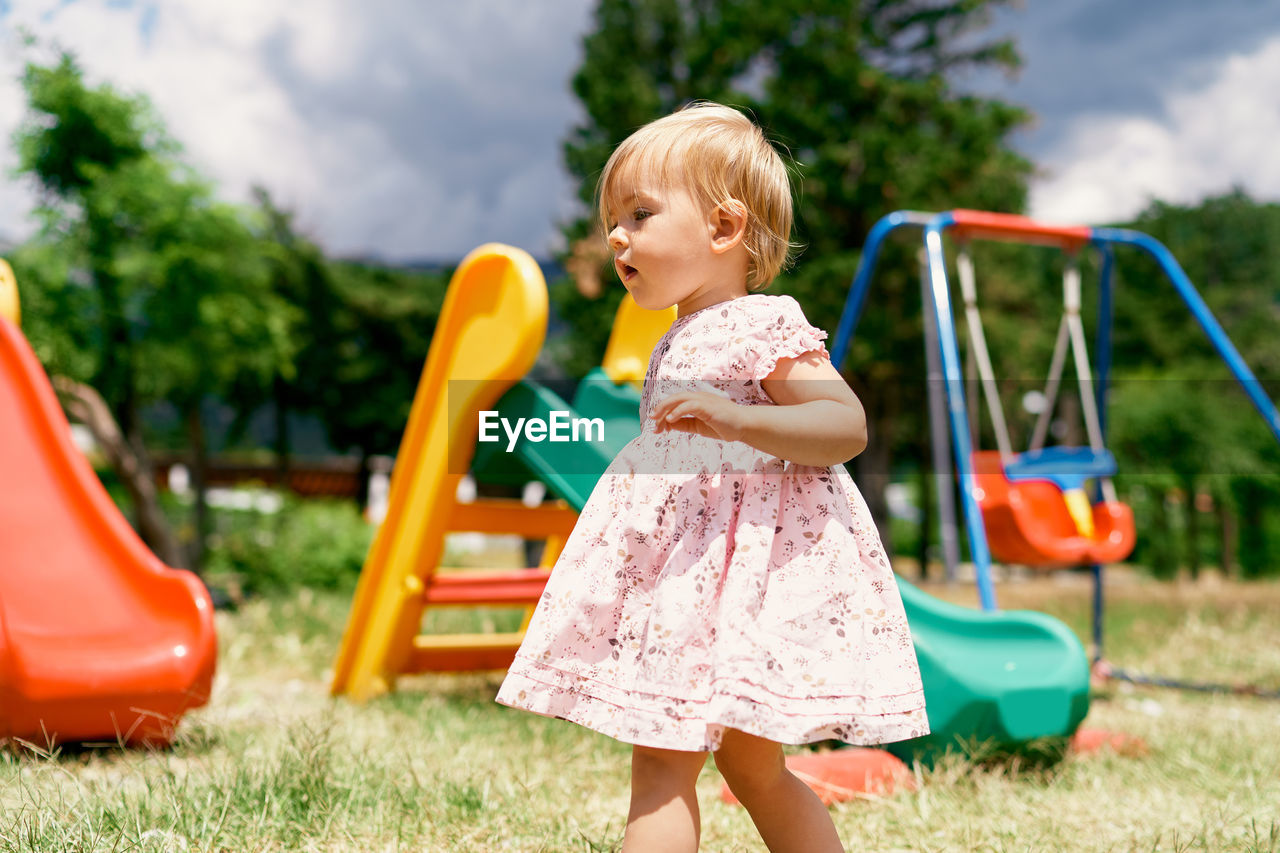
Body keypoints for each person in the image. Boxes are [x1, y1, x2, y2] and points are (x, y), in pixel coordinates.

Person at [496, 102, 927, 853]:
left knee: (681, 766)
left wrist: (738, 420)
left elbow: (844, 425)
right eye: (612, 220)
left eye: (640, 213)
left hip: (739, 583)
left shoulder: (761, 324)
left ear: (724, 229)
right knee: (737, 766)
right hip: (693, 586)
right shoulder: (679, 335)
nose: (618, 236)